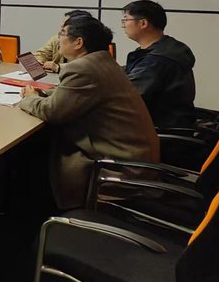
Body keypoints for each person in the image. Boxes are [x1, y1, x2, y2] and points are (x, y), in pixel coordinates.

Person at [18, 14, 159, 210]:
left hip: (117, 167)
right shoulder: (102, 61)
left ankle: (30, 211)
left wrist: (28, 99)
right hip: (134, 156)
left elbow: (52, 112)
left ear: (79, 42)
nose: (58, 38)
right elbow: (79, 94)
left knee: (34, 149)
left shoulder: (82, 68)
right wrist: (45, 93)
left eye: (62, 33)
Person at [121, 0, 197, 128]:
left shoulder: (157, 60)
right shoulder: (167, 48)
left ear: (143, 23)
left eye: (125, 20)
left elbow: (126, 97)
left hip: (158, 129)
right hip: (168, 123)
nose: (123, 25)